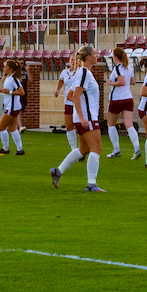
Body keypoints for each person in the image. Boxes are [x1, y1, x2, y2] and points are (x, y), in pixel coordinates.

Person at [49, 46, 106, 193]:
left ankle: (58, 171)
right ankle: (91, 184)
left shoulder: (82, 72)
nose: (97, 55)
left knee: (83, 149)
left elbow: (70, 95)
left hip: (84, 117)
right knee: (96, 148)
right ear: (88, 57)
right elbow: (75, 96)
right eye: (95, 53)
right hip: (87, 118)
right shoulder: (84, 72)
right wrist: (82, 116)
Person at [105, 47, 140, 160]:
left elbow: (122, 81)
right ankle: (137, 148)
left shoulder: (118, 68)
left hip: (116, 99)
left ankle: (116, 150)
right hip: (128, 98)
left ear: (115, 57)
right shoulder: (128, 68)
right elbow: (133, 82)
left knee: (111, 124)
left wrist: (111, 83)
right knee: (129, 124)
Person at [0, 59, 25, 156]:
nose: (3, 68)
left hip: (12, 107)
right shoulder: (8, 78)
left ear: (11, 69)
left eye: (6, 67)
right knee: (12, 128)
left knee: (1, 127)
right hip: (11, 106)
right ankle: (20, 149)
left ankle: (5, 148)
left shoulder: (13, 79)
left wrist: (9, 92)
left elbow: (22, 92)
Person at [55, 57, 78, 151]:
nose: (73, 62)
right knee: (69, 126)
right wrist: (57, 90)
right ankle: (74, 149)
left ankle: (82, 149)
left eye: (76, 60)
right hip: (68, 102)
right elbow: (61, 80)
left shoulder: (81, 72)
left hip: (78, 102)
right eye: (72, 60)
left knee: (79, 126)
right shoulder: (65, 72)